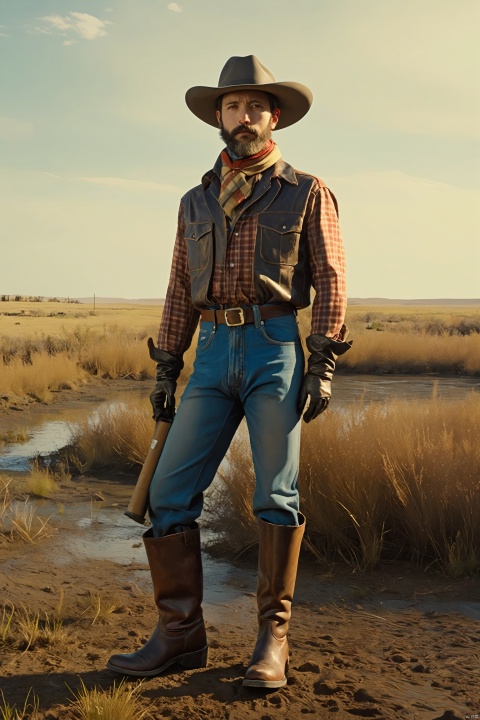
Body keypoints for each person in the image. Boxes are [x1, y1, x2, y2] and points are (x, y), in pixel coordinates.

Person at [107, 55, 351, 689]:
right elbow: (179, 285)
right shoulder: (195, 200)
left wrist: (321, 359)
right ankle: (180, 636)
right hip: (210, 352)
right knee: (167, 495)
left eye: (256, 107)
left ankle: (273, 640)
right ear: (218, 117)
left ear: (275, 118)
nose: (245, 116)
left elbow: (329, 278)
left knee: (276, 493)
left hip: (275, 346)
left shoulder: (305, 190)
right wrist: (167, 366)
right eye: (233, 106)